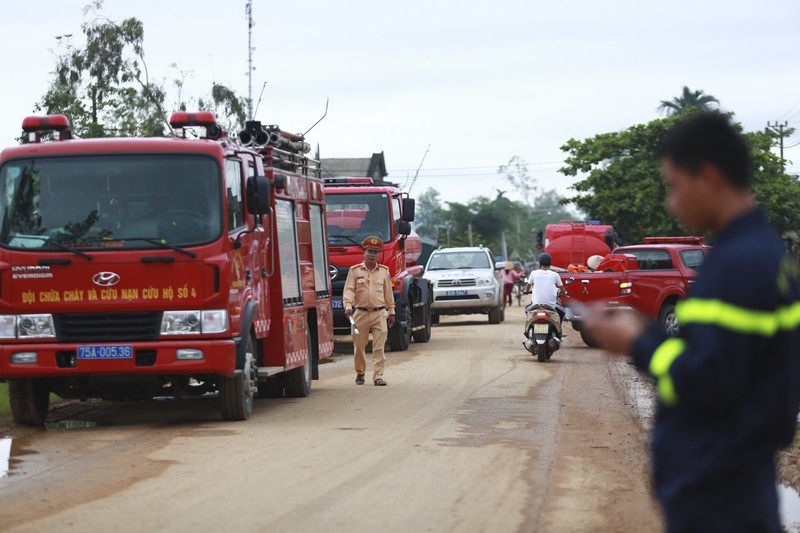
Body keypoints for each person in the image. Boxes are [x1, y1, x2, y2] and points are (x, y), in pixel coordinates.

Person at [585, 113, 800, 532]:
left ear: (709, 177)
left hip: (720, 490)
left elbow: (706, 379)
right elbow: (731, 363)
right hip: (736, 476)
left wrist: (636, 341)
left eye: (675, 185)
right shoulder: (766, 258)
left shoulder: (738, 266)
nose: (671, 202)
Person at [343, 236, 396, 386]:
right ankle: (360, 372)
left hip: (380, 314)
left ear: (378, 254)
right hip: (360, 314)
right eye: (370, 251)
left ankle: (378, 376)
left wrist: (391, 312)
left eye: (375, 252)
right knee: (359, 346)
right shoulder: (354, 271)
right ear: (364, 253)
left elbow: (388, 293)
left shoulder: (384, 271)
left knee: (379, 347)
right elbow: (349, 290)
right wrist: (348, 307)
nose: (372, 254)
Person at [524, 252, 564, 321]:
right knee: (562, 311)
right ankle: (559, 330)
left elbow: (527, 288)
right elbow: (562, 289)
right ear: (550, 263)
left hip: (536, 306)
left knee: (527, 310)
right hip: (551, 307)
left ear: (539, 263)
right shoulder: (555, 275)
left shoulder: (533, 273)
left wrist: (526, 291)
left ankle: (527, 330)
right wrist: (564, 293)